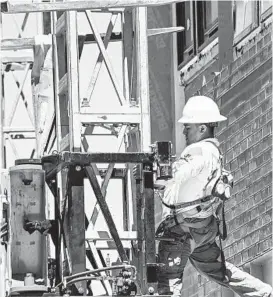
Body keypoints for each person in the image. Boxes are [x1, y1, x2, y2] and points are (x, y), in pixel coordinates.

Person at [142, 96, 273, 297]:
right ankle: (263, 293)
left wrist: (157, 173)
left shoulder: (199, 151)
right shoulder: (213, 153)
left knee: (166, 287)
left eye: (188, 127)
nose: (184, 131)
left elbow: (179, 173)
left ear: (202, 128)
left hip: (183, 232)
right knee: (221, 272)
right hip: (202, 230)